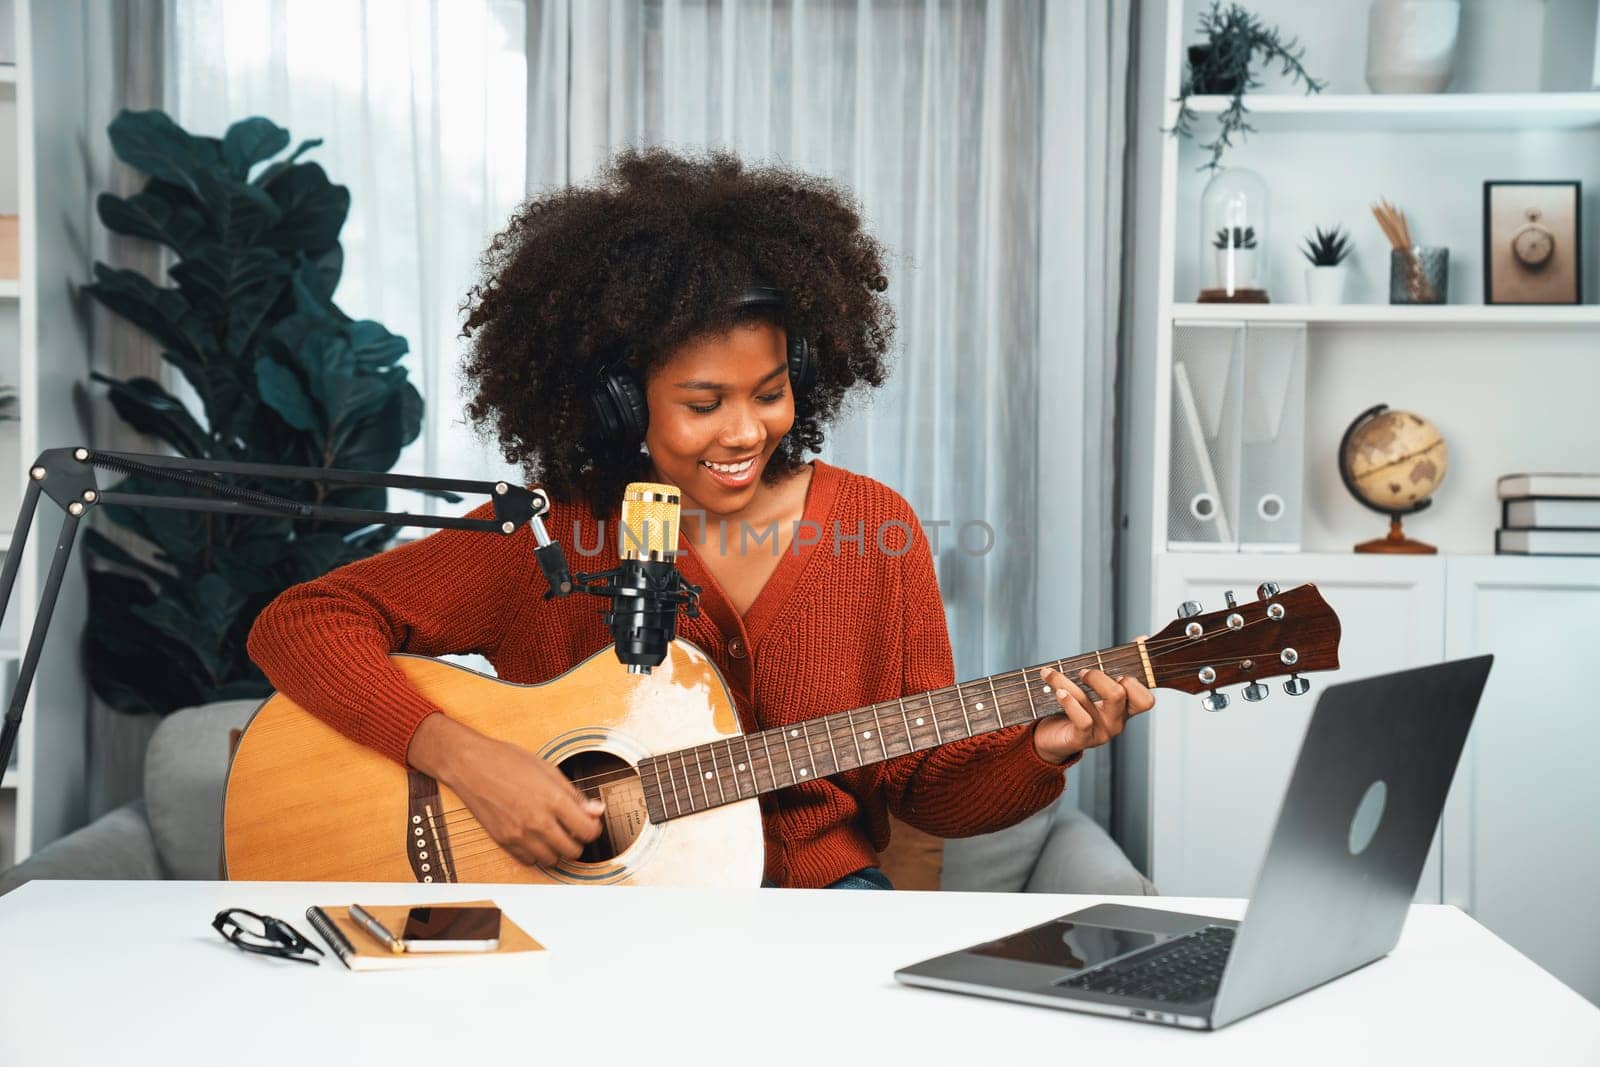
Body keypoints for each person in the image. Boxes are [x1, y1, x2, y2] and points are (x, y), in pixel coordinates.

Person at [247, 147, 1155, 889]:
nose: (745, 431)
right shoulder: (555, 531)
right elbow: (299, 624)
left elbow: (924, 787)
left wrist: (1043, 743)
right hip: (597, 917)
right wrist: (471, 762)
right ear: (615, 403)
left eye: (770, 392)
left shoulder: (874, 530)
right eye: (703, 401)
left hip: (814, 908)